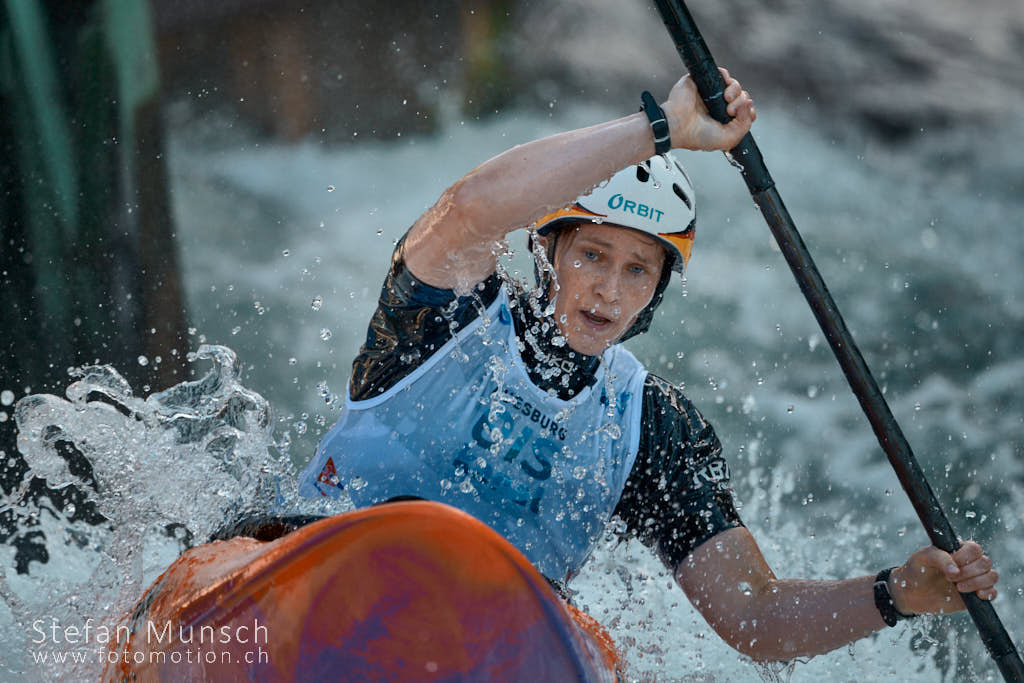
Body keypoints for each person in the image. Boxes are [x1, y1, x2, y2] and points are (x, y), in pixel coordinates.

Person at [297, 68, 1000, 661]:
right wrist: (662, 127)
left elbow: (757, 615)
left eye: (638, 270)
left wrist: (895, 593)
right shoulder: (446, 314)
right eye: (593, 255)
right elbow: (472, 206)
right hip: (308, 580)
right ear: (548, 253)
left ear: (657, 291)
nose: (610, 289)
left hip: (475, 649)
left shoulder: (652, 425)